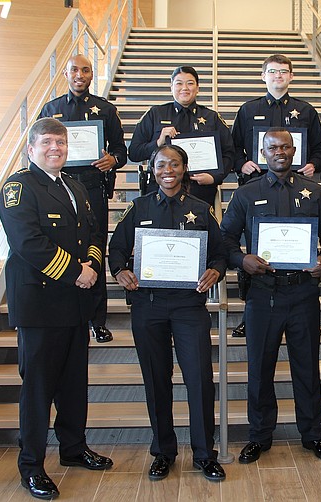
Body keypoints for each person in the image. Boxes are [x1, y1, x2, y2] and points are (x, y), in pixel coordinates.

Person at [0, 118, 113, 500]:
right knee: (38, 390)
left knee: (72, 385)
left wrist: (93, 267)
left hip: (74, 303)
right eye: (47, 142)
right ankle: (31, 465)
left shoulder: (75, 186)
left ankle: (73, 448)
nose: (55, 149)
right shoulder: (19, 187)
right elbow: (27, 242)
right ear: (30, 148)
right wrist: (75, 272)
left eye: (61, 143)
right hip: (40, 304)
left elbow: (95, 233)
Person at [108, 145, 227, 482]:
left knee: (200, 380)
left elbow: (219, 254)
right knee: (156, 380)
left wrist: (215, 271)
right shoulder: (138, 208)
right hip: (148, 306)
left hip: (189, 307)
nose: (168, 170)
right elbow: (115, 249)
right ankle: (163, 452)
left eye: (174, 164)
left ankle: (205, 454)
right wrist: (120, 271)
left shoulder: (202, 210)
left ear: (184, 168)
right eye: (161, 165)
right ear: (152, 169)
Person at [220, 128, 321, 464]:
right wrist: (242, 259)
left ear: (294, 149)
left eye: (286, 146)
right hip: (262, 294)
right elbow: (225, 239)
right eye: (273, 147)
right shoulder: (246, 194)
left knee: (307, 368)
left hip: (302, 293)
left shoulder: (315, 192)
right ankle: (259, 436)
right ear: (263, 151)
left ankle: (313, 434)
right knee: (260, 369)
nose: (280, 152)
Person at [230, 53, 321, 337]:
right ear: (263, 76)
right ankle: (252, 313)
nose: (278, 76)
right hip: (257, 188)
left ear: (291, 76)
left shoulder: (306, 111)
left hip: (298, 187)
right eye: (272, 72)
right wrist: (241, 163)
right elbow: (233, 147)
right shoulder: (248, 110)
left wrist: (314, 164)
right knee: (254, 245)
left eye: (284, 71)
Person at [39, 54, 127, 343]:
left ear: (92, 74)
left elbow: (121, 152)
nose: (80, 74)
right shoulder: (51, 109)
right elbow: (40, 149)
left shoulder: (104, 108)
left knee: (94, 249)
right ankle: (63, 314)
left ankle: (96, 320)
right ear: (65, 73)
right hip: (55, 190)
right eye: (74, 69)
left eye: (85, 70)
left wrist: (111, 160)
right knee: (60, 248)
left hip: (91, 190)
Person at [128, 65, 234, 208]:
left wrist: (214, 177)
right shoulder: (155, 114)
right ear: (171, 87)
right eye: (179, 83)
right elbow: (134, 152)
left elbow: (229, 153)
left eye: (190, 83)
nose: (184, 88)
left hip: (200, 191)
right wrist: (158, 142)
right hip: (161, 191)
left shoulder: (211, 117)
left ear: (197, 88)